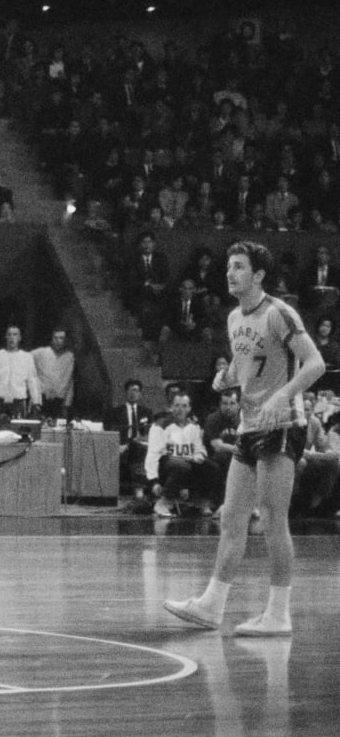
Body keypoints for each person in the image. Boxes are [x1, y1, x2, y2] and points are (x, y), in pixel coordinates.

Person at [164, 242, 326, 636]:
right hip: (250, 427)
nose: (229, 274)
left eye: (239, 267)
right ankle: (211, 606)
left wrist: (282, 396)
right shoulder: (235, 316)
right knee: (232, 517)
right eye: (228, 267)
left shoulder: (279, 313)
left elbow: (315, 363)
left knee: (272, 520)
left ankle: (278, 613)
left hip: (283, 423)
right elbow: (246, 362)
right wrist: (229, 376)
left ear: (258, 275)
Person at [145, 392, 210, 517]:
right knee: (181, 465)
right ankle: (163, 502)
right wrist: (153, 481)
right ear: (171, 407)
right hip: (165, 466)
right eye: (177, 405)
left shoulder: (194, 426)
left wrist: (199, 456)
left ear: (189, 408)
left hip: (187, 463)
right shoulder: (160, 425)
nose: (180, 409)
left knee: (211, 466)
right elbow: (152, 454)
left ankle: (200, 501)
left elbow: (200, 448)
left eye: (184, 406)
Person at [0, 325, 41, 418]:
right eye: (9, 334)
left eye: (15, 334)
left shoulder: (27, 357)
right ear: (6, 337)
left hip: (18, 402)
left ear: (19, 338)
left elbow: (32, 381)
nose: (12, 337)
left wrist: (36, 402)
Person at [32, 329, 76, 420]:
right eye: (55, 338)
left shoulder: (70, 357)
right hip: (42, 398)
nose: (58, 341)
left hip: (59, 401)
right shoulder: (41, 353)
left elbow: (70, 381)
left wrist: (67, 403)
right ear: (51, 339)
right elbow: (25, 359)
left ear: (65, 340)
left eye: (61, 338)